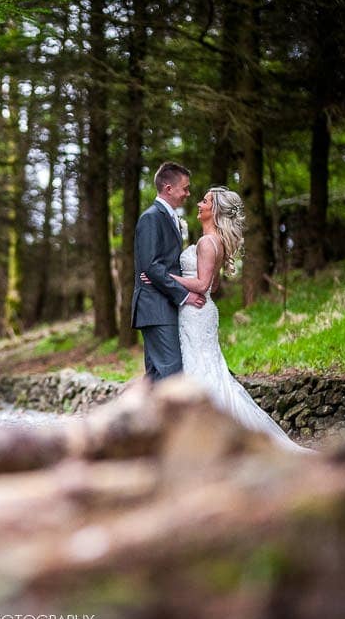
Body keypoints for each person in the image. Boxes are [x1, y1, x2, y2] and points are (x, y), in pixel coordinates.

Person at [163, 186, 312, 453]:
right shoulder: (215, 241)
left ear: (215, 210)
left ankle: (211, 435)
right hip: (200, 311)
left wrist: (166, 278)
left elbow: (203, 283)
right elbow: (214, 285)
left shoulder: (208, 242)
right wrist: (197, 288)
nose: (199, 204)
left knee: (202, 370)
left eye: (205, 201)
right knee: (208, 368)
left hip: (197, 315)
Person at [131, 161, 206, 381]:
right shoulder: (151, 217)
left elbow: (161, 265)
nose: (188, 193)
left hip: (161, 304)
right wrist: (185, 295)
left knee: (156, 376)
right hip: (155, 306)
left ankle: (139, 416)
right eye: (185, 188)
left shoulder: (167, 216)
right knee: (172, 374)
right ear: (169, 188)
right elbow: (152, 266)